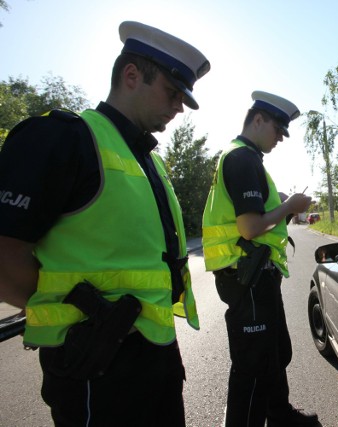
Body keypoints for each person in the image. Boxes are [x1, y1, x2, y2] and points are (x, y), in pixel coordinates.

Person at [0, 21, 210, 426]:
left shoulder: (148, 160)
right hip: (96, 368)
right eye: (172, 92)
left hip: (155, 357)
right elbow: (5, 257)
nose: (179, 107)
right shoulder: (63, 138)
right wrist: (87, 321)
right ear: (131, 75)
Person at [202, 91, 317, 427]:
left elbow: (257, 217)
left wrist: (280, 206)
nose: (280, 138)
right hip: (246, 275)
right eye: (278, 130)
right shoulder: (242, 159)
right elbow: (250, 227)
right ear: (257, 120)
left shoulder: (247, 159)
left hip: (256, 275)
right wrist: (289, 206)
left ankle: (279, 414)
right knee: (252, 366)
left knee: (274, 352)